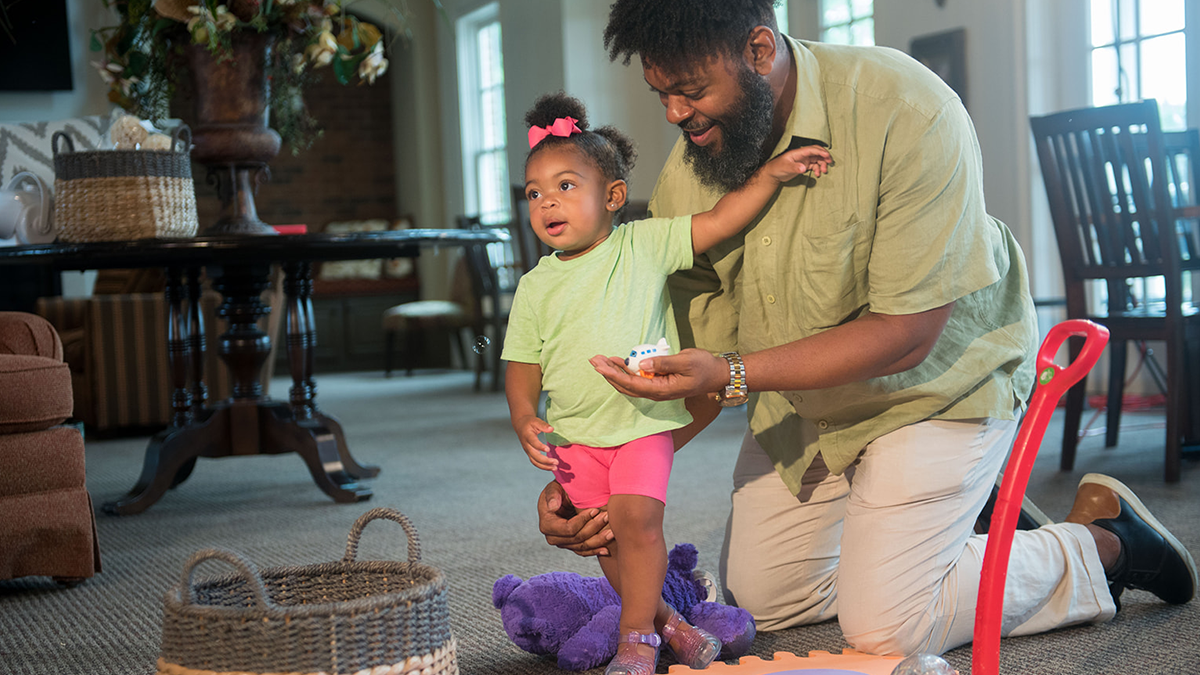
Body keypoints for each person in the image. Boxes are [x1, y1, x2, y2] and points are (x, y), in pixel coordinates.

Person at [535, 0, 1199, 658]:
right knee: (766, 597)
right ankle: (958, 523)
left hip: (937, 385)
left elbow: (909, 333)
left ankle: (1106, 543)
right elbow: (695, 370)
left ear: (760, 52)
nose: (677, 115)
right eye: (662, 95)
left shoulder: (907, 109)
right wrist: (594, 471)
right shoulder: (691, 175)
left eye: (691, 91)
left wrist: (735, 370)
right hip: (811, 406)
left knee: (889, 624)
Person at [503, 91, 830, 675]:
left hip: (641, 425)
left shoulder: (643, 246)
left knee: (638, 522)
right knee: (603, 539)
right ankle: (671, 623)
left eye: (566, 186)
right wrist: (524, 415)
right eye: (535, 193)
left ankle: (637, 639)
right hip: (576, 437)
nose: (548, 201)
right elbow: (522, 365)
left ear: (614, 196)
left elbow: (721, 218)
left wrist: (774, 173)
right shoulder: (533, 287)